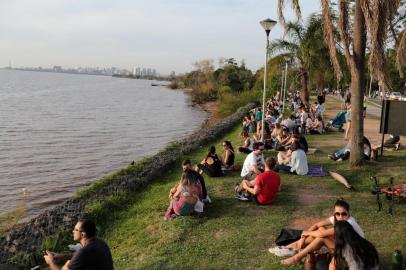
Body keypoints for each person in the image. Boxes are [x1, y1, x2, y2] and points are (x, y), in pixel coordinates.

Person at [277, 198, 364, 265]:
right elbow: (317, 225)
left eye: (343, 214)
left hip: (354, 253)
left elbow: (322, 234)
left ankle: (296, 258)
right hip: (345, 245)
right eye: (337, 214)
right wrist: (302, 238)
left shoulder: (348, 223)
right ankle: (290, 247)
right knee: (321, 228)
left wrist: (306, 233)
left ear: (348, 213)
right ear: (334, 213)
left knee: (321, 238)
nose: (340, 216)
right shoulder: (336, 218)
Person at [44, 218, 113, 270]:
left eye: (75, 229)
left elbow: (80, 255)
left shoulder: (84, 252)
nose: (73, 231)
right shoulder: (100, 242)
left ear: (83, 234)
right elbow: (79, 255)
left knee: (68, 264)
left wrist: (51, 262)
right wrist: (60, 256)